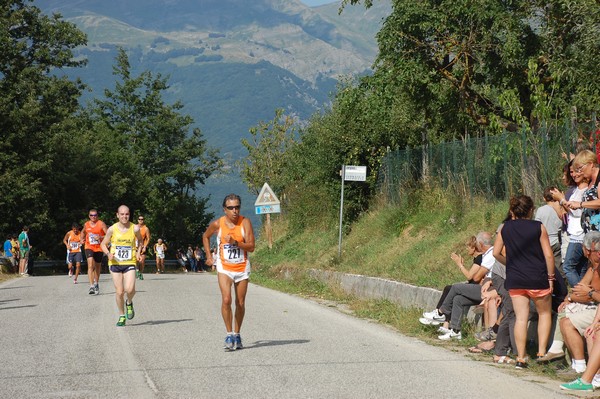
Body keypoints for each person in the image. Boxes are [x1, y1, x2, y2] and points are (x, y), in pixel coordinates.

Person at [493, 195, 555, 369]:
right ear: (531, 209)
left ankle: (521, 357)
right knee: (544, 313)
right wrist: (551, 278)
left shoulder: (505, 228)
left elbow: (496, 253)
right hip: (537, 277)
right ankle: (542, 353)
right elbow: (549, 255)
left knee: (521, 318)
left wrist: (510, 263)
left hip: (516, 279)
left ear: (513, 210)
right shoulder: (538, 227)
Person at [203, 193, 255, 350]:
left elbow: (251, 246)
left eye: (237, 207)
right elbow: (205, 236)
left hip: (241, 267)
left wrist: (236, 243)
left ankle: (237, 335)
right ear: (224, 209)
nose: (235, 211)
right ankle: (229, 334)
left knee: (240, 303)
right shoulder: (218, 224)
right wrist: (209, 257)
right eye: (231, 208)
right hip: (224, 267)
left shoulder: (245, 223)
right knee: (226, 299)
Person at [100, 205, 143, 327]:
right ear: (117, 215)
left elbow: (140, 241)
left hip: (129, 262)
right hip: (115, 263)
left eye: (127, 214)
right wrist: (108, 253)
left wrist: (139, 252)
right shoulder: (112, 229)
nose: (125, 216)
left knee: (130, 289)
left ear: (129, 215)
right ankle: (121, 315)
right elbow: (103, 244)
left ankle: (129, 302)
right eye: (122, 214)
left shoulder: (135, 228)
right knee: (119, 292)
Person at [552, 160, 589, 287]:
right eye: (572, 172)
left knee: (568, 267)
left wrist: (561, 200)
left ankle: (582, 295)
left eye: (575, 171)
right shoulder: (575, 190)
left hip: (579, 235)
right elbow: (570, 213)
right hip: (575, 233)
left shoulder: (585, 190)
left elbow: (579, 213)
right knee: (581, 269)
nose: (573, 175)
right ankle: (583, 300)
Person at [81, 209, 108, 295]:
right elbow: (83, 232)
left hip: (99, 248)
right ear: (89, 216)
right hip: (89, 246)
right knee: (90, 265)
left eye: (95, 215)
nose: (93, 217)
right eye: (91, 215)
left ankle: (96, 283)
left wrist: (100, 237)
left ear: (97, 215)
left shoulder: (101, 224)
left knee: (97, 267)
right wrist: (81, 239)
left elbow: (108, 235)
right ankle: (91, 286)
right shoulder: (86, 224)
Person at [136, 215, 151, 280]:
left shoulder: (146, 228)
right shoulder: (134, 227)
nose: (140, 220)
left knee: (142, 261)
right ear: (137, 220)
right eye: (139, 219)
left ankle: (141, 272)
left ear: (143, 220)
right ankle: (136, 271)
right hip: (135, 246)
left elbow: (148, 238)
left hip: (142, 246)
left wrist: (145, 246)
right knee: (136, 260)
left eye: (142, 219)